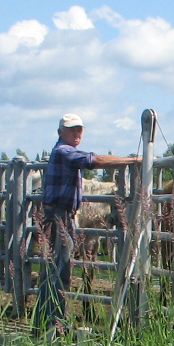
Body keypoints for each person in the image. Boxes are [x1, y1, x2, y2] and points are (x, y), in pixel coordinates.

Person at [35, 112, 140, 330]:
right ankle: (52, 323)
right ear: (60, 132)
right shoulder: (64, 152)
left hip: (61, 214)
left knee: (56, 269)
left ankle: (47, 322)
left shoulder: (63, 151)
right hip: (58, 215)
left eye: (79, 129)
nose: (77, 133)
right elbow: (96, 160)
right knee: (58, 271)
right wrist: (132, 160)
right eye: (72, 129)